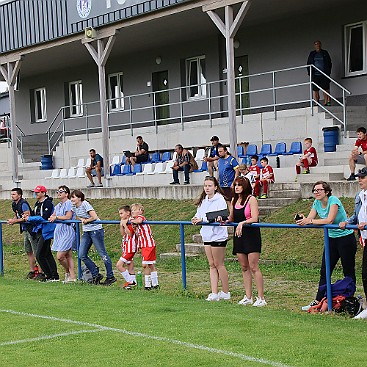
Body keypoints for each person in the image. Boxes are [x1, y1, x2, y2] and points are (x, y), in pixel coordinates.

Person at [296, 181, 357, 311]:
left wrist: (310, 220)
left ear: (327, 191)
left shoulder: (333, 200)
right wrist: (303, 219)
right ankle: (317, 301)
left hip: (345, 238)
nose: (316, 192)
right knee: (325, 271)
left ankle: (349, 301)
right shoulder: (316, 203)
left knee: (348, 271)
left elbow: (329, 220)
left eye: (319, 190)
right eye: (314, 190)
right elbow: (310, 218)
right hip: (331, 239)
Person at [227, 176, 266, 307]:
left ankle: (261, 297)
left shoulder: (251, 199)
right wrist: (224, 220)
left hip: (251, 235)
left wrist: (243, 223)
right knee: (244, 267)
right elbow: (231, 217)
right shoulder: (234, 200)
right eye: (235, 185)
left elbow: (255, 217)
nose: (237, 187)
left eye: (239, 185)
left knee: (254, 266)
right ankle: (248, 296)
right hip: (239, 235)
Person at [192, 176, 230, 301]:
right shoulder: (204, 201)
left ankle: (225, 291)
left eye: (209, 185)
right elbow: (199, 214)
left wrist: (205, 219)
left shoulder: (220, 199)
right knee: (212, 264)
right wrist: (195, 218)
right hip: (207, 234)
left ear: (215, 187)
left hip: (218, 236)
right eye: (205, 186)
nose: (207, 188)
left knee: (219, 264)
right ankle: (214, 292)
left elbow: (221, 215)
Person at [70, 189, 116, 285]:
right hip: (87, 231)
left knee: (102, 254)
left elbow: (94, 217)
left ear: (79, 198)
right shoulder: (74, 206)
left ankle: (110, 276)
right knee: (81, 254)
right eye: (71, 197)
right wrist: (82, 219)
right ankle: (95, 273)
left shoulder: (85, 204)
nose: (72, 199)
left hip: (96, 230)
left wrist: (87, 220)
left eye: (73, 197)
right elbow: (78, 216)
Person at [339, 167, 367, 309]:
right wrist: (347, 222)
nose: (359, 180)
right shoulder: (360, 195)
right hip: (365, 238)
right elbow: (357, 216)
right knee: (365, 274)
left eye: (362, 177)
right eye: (359, 177)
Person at [25, 185, 59, 282]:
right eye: (35, 192)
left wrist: (30, 219)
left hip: (46, 231)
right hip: (39, 230)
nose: (36, 194)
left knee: (39, 254)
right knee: (46, 253)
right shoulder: (37, 203)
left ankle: (50, 275)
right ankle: (52, 275)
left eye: (38, 192)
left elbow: (44, 217)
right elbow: (36, 215)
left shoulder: (48, 203)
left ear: (44, 193)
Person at [7, 188, 40, 279]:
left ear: (19, 195)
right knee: (28, 250)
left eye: (14, 194)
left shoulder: (23, 203)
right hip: (25, 229)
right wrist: (14, 220)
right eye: (11, 194)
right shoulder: (14, 204)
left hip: (31, 229)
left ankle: (41, 272)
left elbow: (27, 216)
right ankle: (32, 270)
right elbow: (17, 215)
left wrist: (15, 221)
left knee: (36, 251)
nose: (12, 196)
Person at [48, 185, 76, 283]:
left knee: (60, 256)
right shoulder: (58, 205)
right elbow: (53, 215)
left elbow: (68, 216)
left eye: (61, 191)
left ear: (67, 194)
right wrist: (53, 217)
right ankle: (72, 277)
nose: (59, 193)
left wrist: (57, 218)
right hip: (59, 230)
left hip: (67, 230)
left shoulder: (69, 203)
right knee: (68, 255)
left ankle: (67, 271)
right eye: (57, 191)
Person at [130, 203, 159, 290]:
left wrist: (131, 220)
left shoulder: (141, 218)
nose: (133, 212)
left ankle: (147, 284)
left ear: (141, 211)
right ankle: (155, 284)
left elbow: (139, 221)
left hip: (149, 244)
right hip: (144, 245)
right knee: (150, 264)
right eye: (132, 210)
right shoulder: (135, 222)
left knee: (144, 264)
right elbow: (138, 235)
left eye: (136, 210)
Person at [116, 205, 137, 289]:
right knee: (130, 266)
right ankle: (133, 283)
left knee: (119, 265)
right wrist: (121, 225)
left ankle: (131, 281)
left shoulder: (131, 221)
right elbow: (123, 234)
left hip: (130, 248)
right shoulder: (124, 221)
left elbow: (130, 234)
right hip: (125, 246)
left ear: (128, 213)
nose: (120, 215)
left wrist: (125, 225)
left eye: (121, 213)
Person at [307, 40, 332, 106]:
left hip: (324, 74)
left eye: (318, 44)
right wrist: (310, 73)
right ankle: (316, 102)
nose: (317, 45)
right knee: (315, 89)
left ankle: (326, 102)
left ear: (321, 45)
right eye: (316, 44)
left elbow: (329, 63)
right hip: (315, 75)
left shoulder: (325, 53)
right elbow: (309, 64)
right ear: (314, 46)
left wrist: (328, 72)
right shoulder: (312, 54)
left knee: (325, 88)